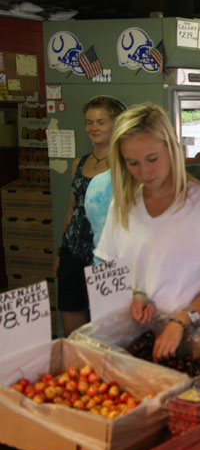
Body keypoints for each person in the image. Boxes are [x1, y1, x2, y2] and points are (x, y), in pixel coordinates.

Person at [95, 103, 200, 360]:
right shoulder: (122, 206)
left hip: (189, 341)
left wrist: (182, 319)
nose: (144, 172)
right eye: (133, 163)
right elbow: (109, 272)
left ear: (172, 150)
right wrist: (134, 295)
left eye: (152, 159)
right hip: (132, 340)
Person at [56, 96, 125, 337]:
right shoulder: (79, 163)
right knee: (71, 316)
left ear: (116, 124)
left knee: (107, 323)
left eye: (101, 122)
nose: (93, 128)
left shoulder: (124, 165)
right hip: (73, 251)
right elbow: (72, 208)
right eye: (89, 122)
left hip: (107, 253)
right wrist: (61, 250)